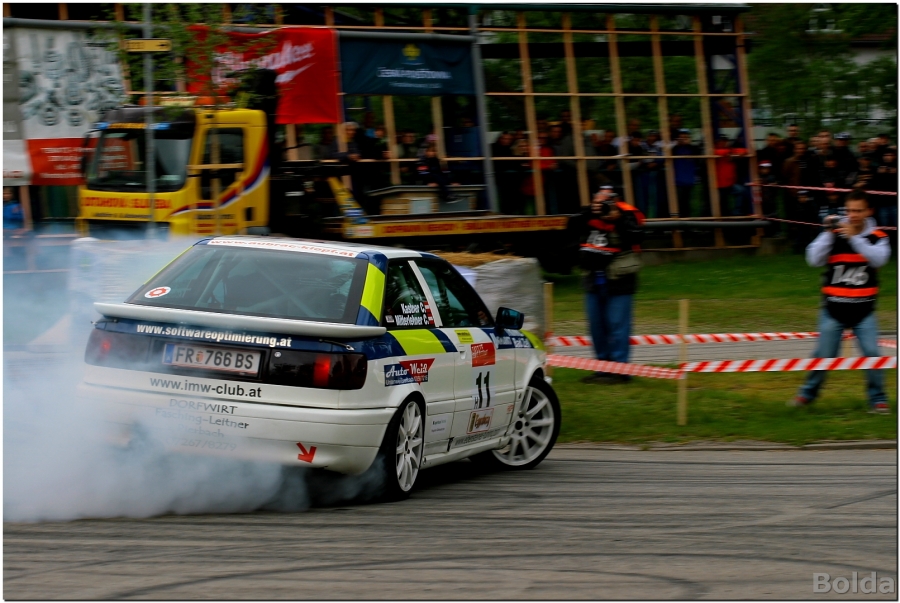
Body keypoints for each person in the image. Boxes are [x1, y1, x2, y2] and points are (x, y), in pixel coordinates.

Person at [791, 190, 891, 413]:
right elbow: (813, 259)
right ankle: (807, 394)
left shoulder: (878, 236)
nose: (852, 215)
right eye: (849, 210)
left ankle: (878, 399)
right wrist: (828, 232)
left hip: (864, 309)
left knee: (872, 354)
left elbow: (879, 259)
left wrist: (854, 238)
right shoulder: (834, 232)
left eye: (858, 211)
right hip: (833, 308)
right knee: (823, 354)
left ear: (868, 211)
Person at [576, 185, 645, 384]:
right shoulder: (588, 214)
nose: (603, 202)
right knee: (596, 326)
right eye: (599, 197)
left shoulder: (628, 215)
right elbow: (572, 229)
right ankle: (603, 369)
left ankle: (620, 371)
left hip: (619, 279)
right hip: (593, 278)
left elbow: (637, 236)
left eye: (607, 198)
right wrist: (590, 212)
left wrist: (619, 219)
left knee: (617, 326)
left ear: (616, 199)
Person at [713, 134, 748, 215]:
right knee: (721, 204)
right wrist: (729, 153)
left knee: (741, 191)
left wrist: (732, 153)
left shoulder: (730, 151)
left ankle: (736, 212)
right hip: (719, 185)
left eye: (725, 141)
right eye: (721, 141)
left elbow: (745, 151)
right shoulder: (715, 151)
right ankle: (722, 217)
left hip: (730, 184)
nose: (723, 143)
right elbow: (715, 152)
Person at [673, 129, 698, 217]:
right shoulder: (675, 149)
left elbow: (698, 155)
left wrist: (689, 144)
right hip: (678, 181)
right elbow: (671, 153)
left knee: (687, 203)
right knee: (679, 203)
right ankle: (679, 222)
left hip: (689, 180)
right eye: (681, 137)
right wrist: (678, 144)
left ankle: (687, 222)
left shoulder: (692, 148)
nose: (683, 139)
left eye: (685, 137)